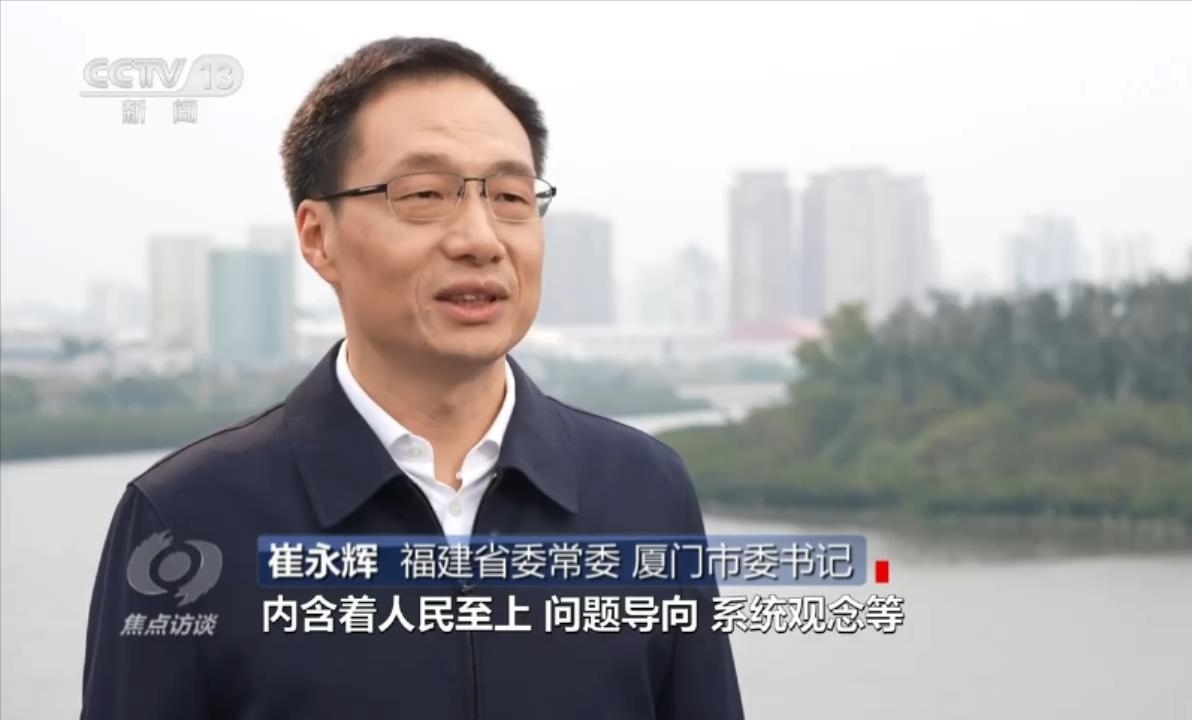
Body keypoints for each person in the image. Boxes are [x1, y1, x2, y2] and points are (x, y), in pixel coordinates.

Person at [79, 36, 745, 720]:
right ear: (318, 237)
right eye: (425, 194)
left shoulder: (644, 491)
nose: (481, 239)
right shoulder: (187, 517)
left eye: (511, 196)